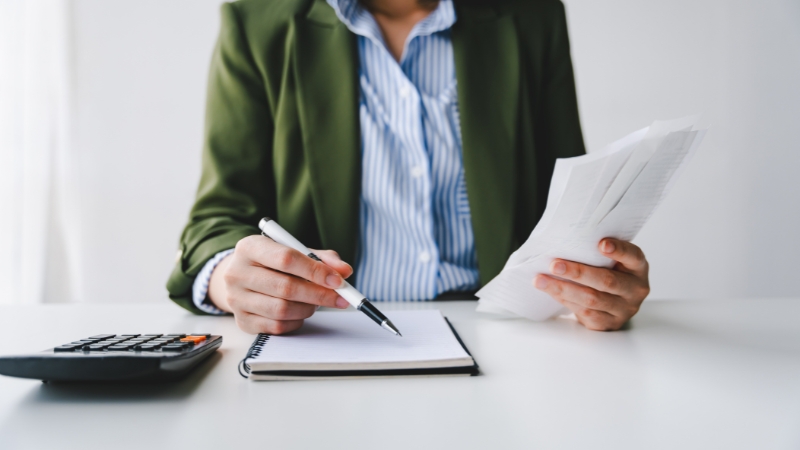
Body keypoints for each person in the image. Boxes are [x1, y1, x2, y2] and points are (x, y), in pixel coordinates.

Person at [166, 0, 650, 334]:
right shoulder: (257, 20)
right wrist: (231, 276)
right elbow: (216, 220)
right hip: (329, 337)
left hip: (505, 338)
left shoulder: (530, 15)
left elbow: (571, 211)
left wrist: (599, 286)